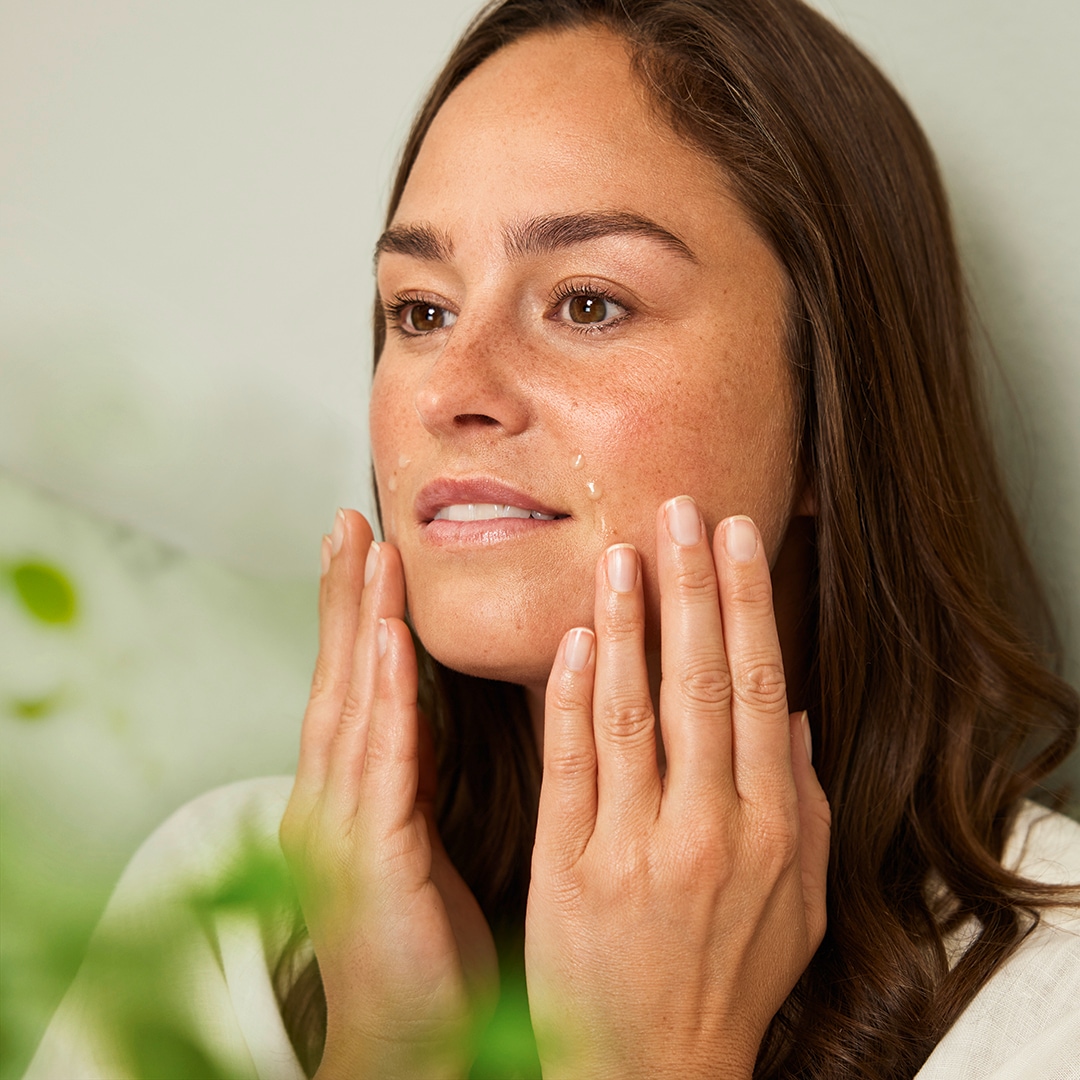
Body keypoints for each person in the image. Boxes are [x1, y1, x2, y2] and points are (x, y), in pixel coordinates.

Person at [24, 0, 1080, 1077]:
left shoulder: (1056, 1009)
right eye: (421, 311)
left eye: (587, 303)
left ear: (829, 419)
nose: (453, 392)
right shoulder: (231, 906)